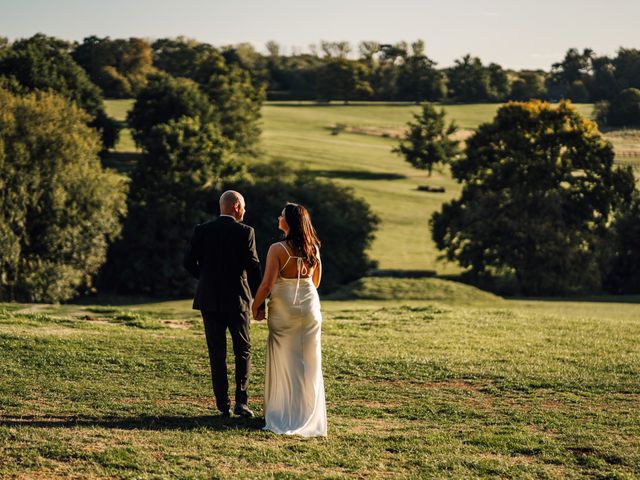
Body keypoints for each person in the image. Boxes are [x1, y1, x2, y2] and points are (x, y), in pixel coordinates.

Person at [184, 190, 264, 418]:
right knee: (243, 350)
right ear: (237, 206)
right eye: (244, 207)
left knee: (216, 353)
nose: (245, 211)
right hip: (237, 300)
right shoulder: (246, 232)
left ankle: (222, 405)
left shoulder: (202, 230)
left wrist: (206, 278)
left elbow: (188, 262)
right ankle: (242, 401)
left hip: (208, 299)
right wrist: (260, 300)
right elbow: (253, 267)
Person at [252, 203, 327, 437]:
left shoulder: (277, 248)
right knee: (309, 360)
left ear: (289, 222)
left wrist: (255, 306)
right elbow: (316, 282)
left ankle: (283, 411)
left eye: (282, 215)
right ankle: (307, 413)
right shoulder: (313, 247)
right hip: (310, 307)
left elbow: (266, 284)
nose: (278, 217)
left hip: (284, 308)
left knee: (285, 359)